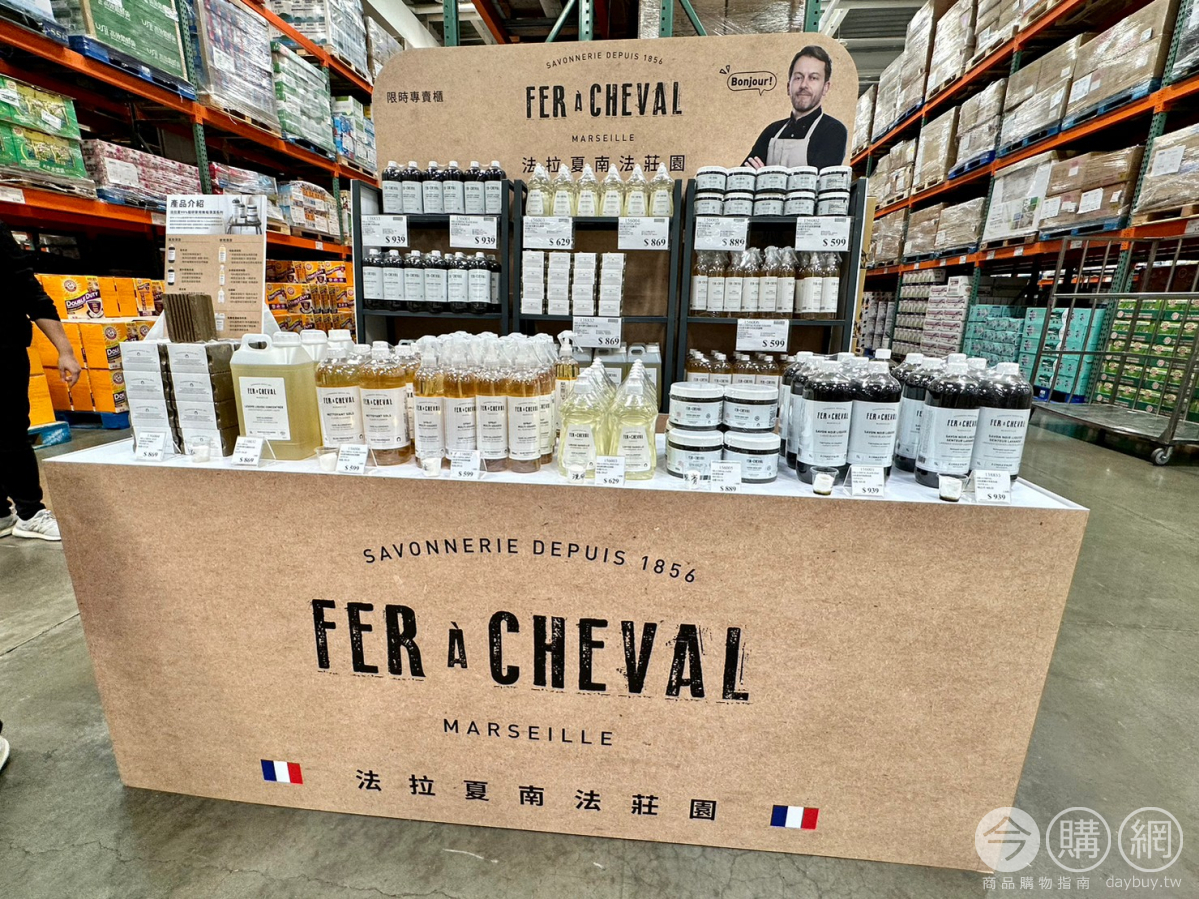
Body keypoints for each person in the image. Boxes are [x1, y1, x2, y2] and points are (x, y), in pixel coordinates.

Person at [1, 221, 81, 542]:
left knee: (9, 432)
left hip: (3, 350)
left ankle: (30, 513)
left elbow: (30, 290)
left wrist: (65, 351)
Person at [744, 45, 849, 171]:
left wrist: (765, 176)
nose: (803, 85)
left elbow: (819, 181)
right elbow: (744, 176)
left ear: (825, 87)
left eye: (813, 78)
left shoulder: (832, 131)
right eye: (798, 77)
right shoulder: (772, 132)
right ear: (788, 86)